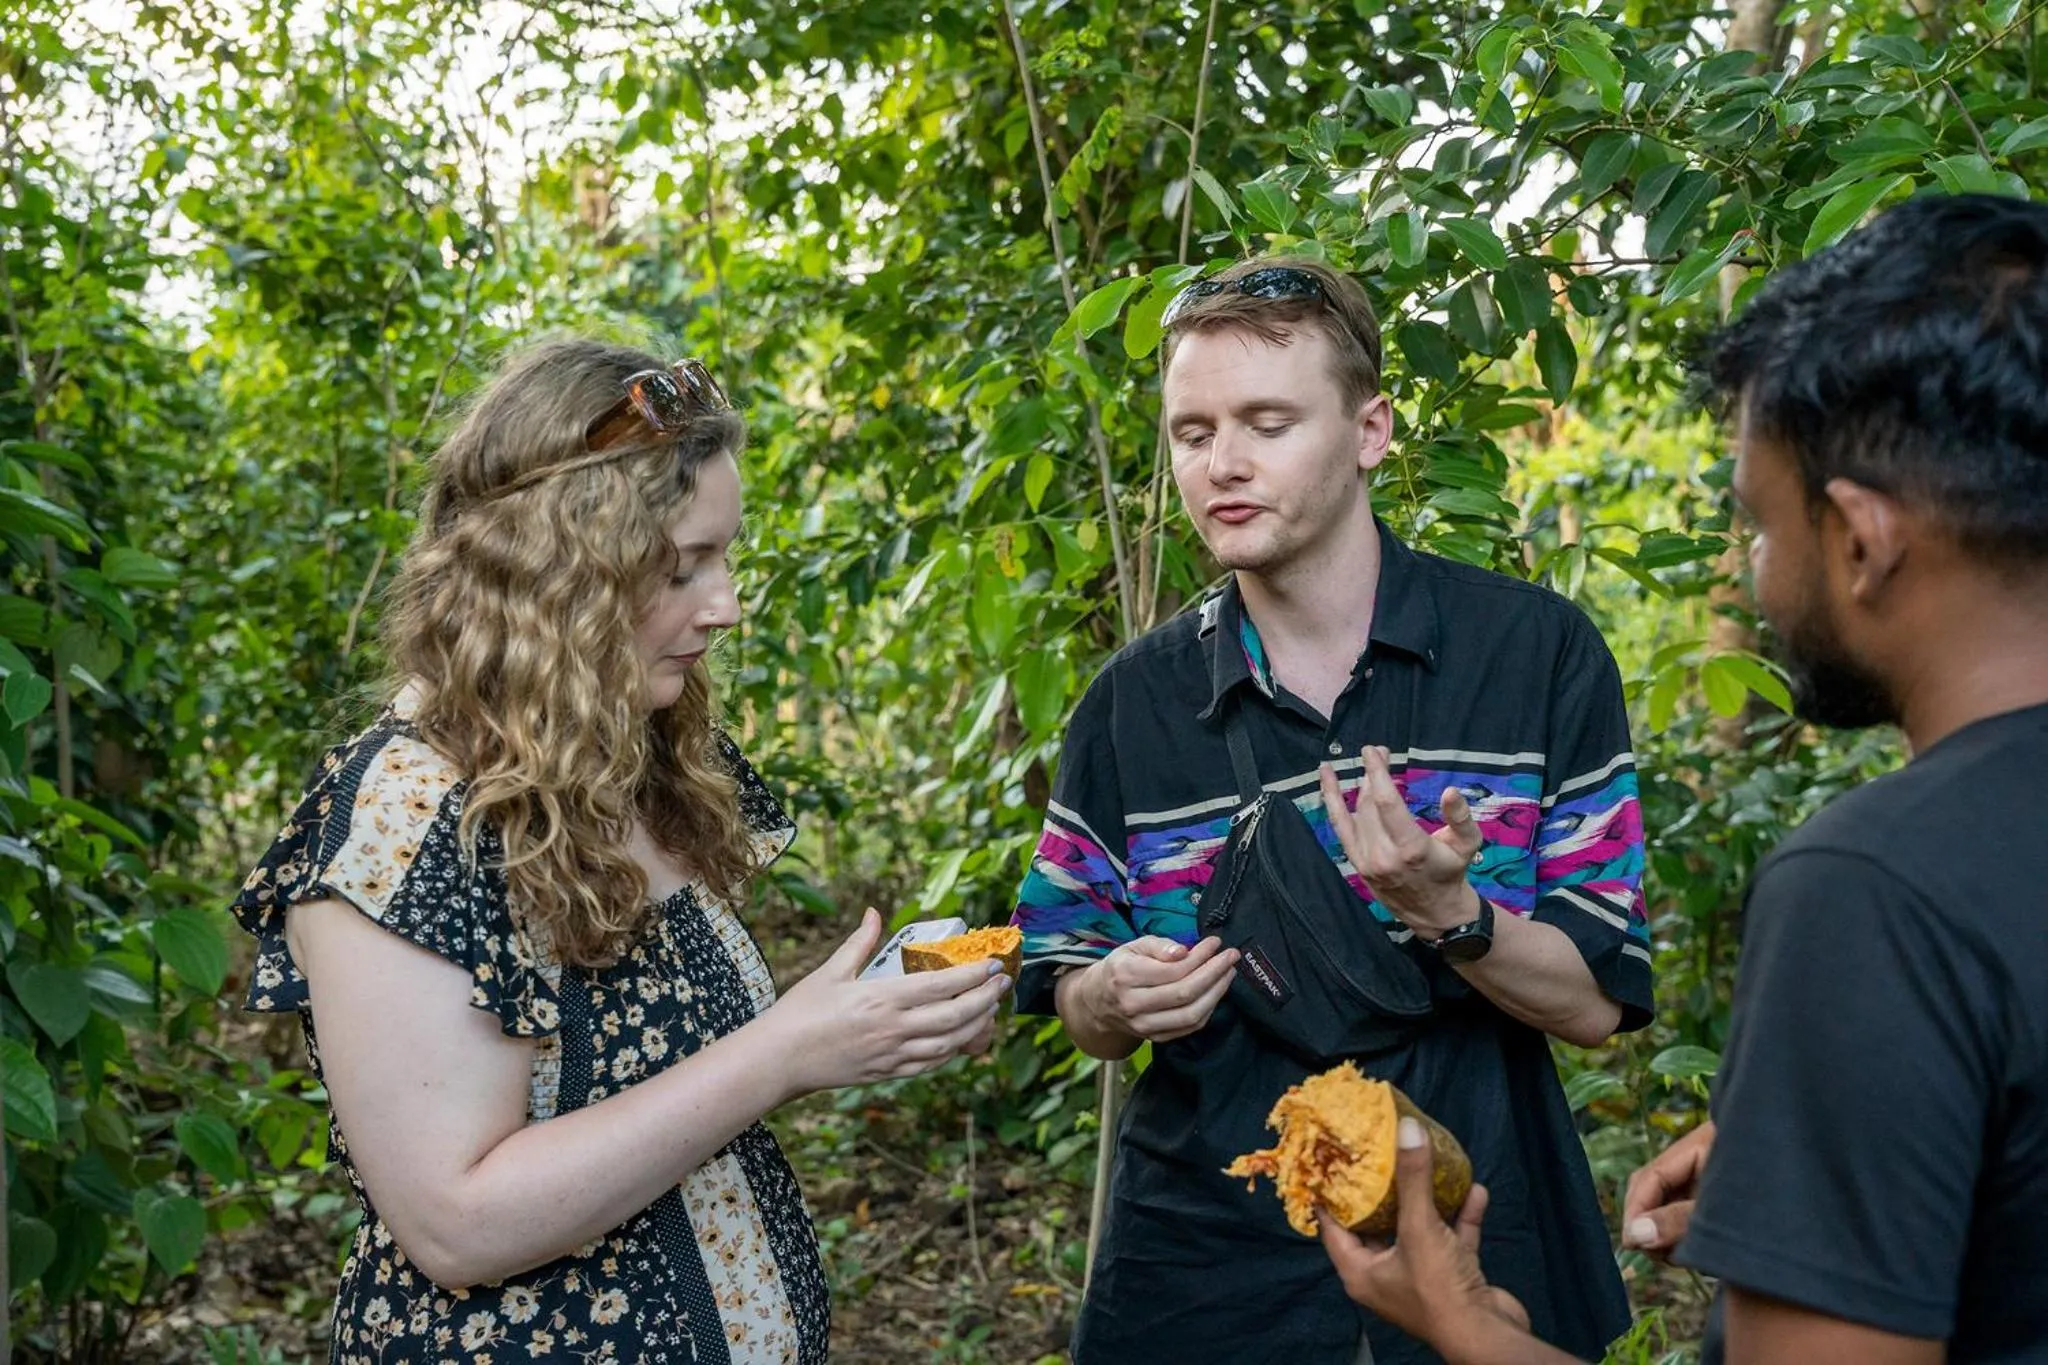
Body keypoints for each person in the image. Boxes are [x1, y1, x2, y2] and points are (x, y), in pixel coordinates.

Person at [1322, 191, 2048, 1365]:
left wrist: (1461, 1323)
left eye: (1757, 529)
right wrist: (1841, 1153)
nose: (1751, 578)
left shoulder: (1871, 893)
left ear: (1858, 540)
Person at [229, 339, 1010, 1365]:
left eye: (724, 556)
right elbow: (454, 1222)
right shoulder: (407, 815)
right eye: (680, 568)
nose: (723, 605)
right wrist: (783, 1053)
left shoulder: (625, 752)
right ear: (553, 575)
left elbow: (671, 1088)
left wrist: (861, 1029)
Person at [1009, 258, 1654, 1363]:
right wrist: (1110, 995)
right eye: (1191, 431)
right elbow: (1071, 992)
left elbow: (1597, 1005)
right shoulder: (1129, 707)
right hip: (1206, 1252)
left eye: (1267, 422)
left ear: (1368, 431)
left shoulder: (1532, 655)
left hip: (1480, 1221)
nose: (1221, 464)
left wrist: (1450, 913)